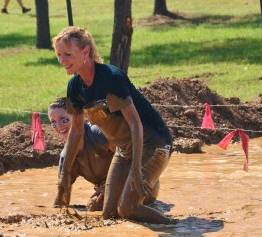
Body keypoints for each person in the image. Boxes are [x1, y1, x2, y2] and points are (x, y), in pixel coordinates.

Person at [52, 26, 175, 224]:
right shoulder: (74, 86)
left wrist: (135, 169)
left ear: (86, 52)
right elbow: (76, 132)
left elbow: (135, 123)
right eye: (59, 55)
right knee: (109, 214)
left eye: (67, 54)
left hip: (153, 143)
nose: (62, 60)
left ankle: (176, 226)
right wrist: (64, 175)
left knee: (127, 208)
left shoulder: (111, 77)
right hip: (125, 149)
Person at [48, 97, 114, 211]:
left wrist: (110, 186)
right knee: (95, 207)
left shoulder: (97, 134)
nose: (58, 127)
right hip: (109, 189)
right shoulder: (66, 157)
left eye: (64, 119)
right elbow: (61, 202)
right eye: (53, 123)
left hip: (138, 179)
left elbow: (129, 153)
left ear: (78, 118)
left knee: (107, 207)